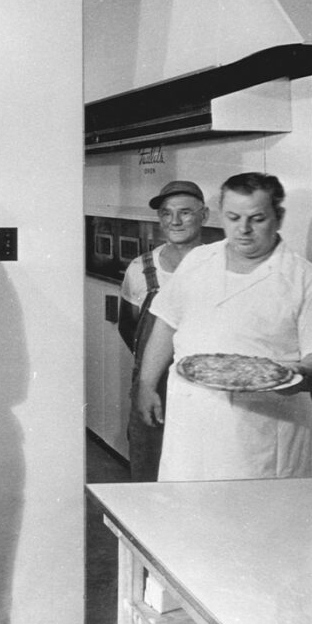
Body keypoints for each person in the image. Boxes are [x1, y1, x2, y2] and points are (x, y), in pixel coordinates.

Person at [137, 172, 312, 482]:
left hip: (262, 431)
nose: (244, 229)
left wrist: (300, 377)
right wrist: (146, 384)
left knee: (259, 522)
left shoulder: (304, 279)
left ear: (278, 217)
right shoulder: (199, 260)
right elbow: (166, 325)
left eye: (257, 218)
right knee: (187, 515)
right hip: (192, 421)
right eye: (234, 217)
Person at [117, 180, 209, 482]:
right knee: (148, 472)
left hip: (206, 389)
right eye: (167, 214)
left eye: (185, 213)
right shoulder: (140, 268)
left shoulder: (217, 265)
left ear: (204, 216)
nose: (175, 221)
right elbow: (129, 327)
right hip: (152, 388)